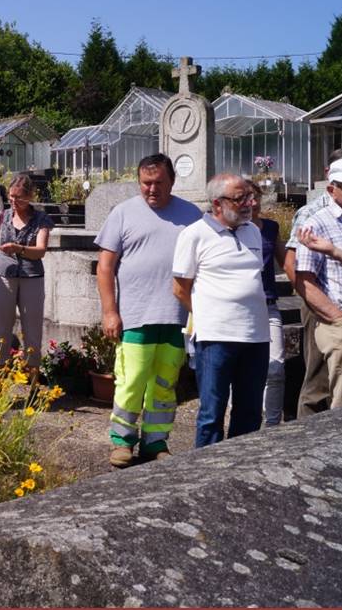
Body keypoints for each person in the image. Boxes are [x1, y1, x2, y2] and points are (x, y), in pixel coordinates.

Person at [95, 153, 201, 468]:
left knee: (165, 384)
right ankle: (121, 442)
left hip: (176, 317)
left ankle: (155, 441)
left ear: (172, 181)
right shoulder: (123, 214)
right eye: (145, 183)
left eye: (158, 183)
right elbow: (105, 267)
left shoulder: (192, 214)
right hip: (135, 317)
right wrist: (109, 311)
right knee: (131, 381)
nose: (151, 189)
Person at [173, 174, 269, 449]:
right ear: (217, 203)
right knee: (211, 413)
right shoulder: (193, 235)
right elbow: (180, 288)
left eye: (249, 196)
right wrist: (209, 314)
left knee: (250, 412)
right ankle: (204, 476)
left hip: (256, 335)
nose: (248, 203)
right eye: (240, 199)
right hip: (216, 336)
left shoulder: (252, 231)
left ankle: (239, 470)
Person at [283, 148, 342, 418]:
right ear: (332, 189)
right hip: (333, 312)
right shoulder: (314, 220)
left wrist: (334, 251)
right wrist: (338, 318)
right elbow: (299, 274)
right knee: (321, 381)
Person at [0, 174, 53, 375]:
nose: (13, 201)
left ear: (30, 196)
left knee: (32, 327)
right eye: (10, 196)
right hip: (2, 275)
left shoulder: (41, 219)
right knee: (1, 325)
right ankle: (0, 372)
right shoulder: (1, 216)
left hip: (31, 277)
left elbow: (41, 250)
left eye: (18, 197)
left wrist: (18, 248)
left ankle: (33, 375)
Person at [248, 180, 287, 426]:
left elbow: (287, 263)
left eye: (256, 197)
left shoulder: (270, 228)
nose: (253, 203)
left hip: (268, 304)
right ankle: (242, 422)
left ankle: (272, 425)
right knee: (240, 372)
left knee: (275, 369)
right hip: (241, 309)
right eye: (247, 198)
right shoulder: (231, 229)